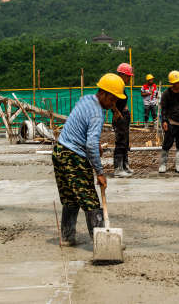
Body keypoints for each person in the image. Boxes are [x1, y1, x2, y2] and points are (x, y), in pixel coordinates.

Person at [54, 73, 125, 245]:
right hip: (73, 156)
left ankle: (68, 237)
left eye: (115, 101)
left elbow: (82, 128)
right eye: (111, 100)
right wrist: (100, 173)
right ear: (102, 93)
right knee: (90, 200)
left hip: (59, 151)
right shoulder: (97, 114)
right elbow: (91, 146)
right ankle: (103, 243)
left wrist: (96, 145)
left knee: (70, 198)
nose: (113, 104)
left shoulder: (86, 99)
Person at [113, 63, 134, 178]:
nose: (130, 78)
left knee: (125, 142)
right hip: (120, 117)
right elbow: (111, 100)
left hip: (124, 116)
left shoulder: (121, 86)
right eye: (128, 76)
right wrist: (116, 111)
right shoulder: (116, 85)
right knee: (120, 141)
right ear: (121, 74)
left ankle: (125, 166)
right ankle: (118, 168)